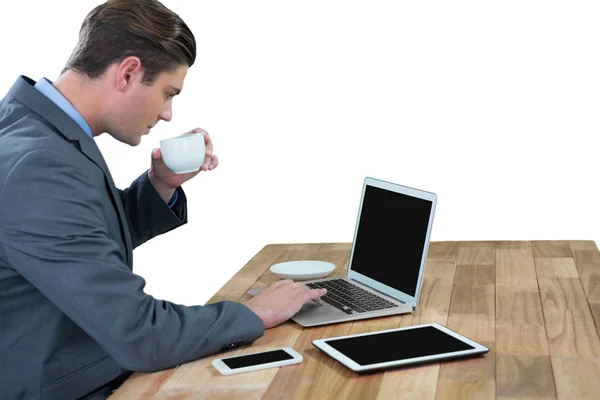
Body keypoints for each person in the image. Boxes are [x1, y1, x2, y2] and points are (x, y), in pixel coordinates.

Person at [0, 1, 326, 399]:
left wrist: (159, 185)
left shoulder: (31, 124)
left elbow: (75, 248)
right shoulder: (41, 163)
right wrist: (255, 313)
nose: (168, 114)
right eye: (168, 93)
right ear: (129, 72)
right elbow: (139, 334)